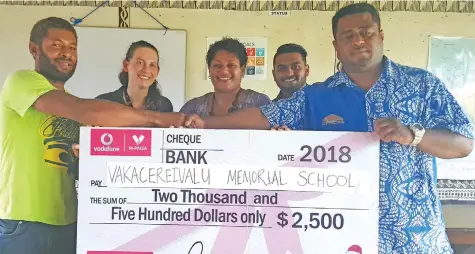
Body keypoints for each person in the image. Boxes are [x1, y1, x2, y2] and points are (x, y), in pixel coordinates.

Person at [184, 3, 474, 253]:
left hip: (414, 241)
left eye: (366, 32)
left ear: (381, 35)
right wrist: (205, 123)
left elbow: (464, 143)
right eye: (348, 36)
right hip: (337, 239)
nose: (358, 41)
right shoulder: (316, 96)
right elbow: (264, 116)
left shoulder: (422, 85)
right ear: (336, 46)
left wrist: (412, 135)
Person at [0, 17, 184, 254]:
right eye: (56, 45)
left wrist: (85, 156)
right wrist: (156, 119)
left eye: (72, 47)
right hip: (22, 220)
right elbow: (88, 111)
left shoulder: (74, 103)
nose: (66, 53)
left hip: (69, 218)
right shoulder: (21, 82)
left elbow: (81, 162)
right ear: (34, 49)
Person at [180, 37, 271, 117]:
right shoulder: (193, 108)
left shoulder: (260, 103)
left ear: (242, 70)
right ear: (209, 69)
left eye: (231, 65)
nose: (224, 72)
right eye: (217, 65)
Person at [96, 40, 173, 112]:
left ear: (157, 71)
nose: (146, 70)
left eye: (152, 65)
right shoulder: (103, 102)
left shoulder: (165, 106)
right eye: (140, 62)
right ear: (126, 65)